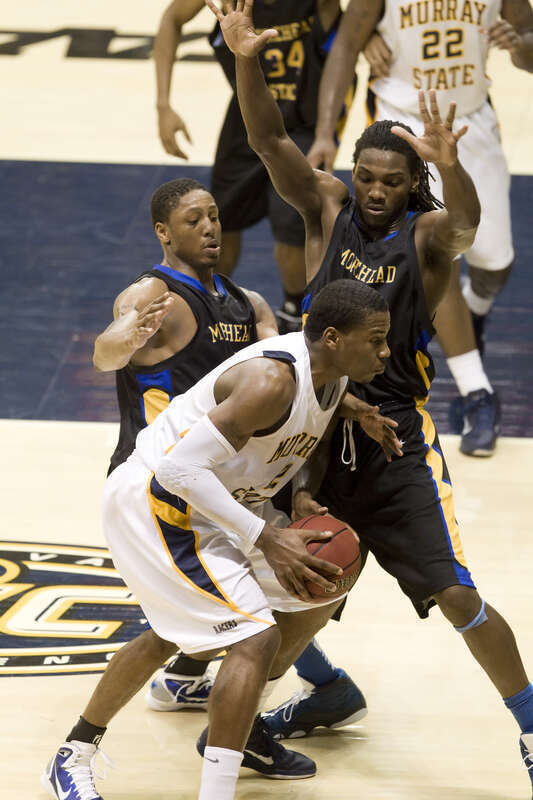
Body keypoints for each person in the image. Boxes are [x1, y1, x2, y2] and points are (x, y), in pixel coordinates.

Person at [204, 0, 533, 791]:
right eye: (367, 178)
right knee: (285, 592)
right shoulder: (326, 206)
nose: (376, 191)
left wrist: (448, 161)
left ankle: (529, 727)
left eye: (392, 181)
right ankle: (264, 709)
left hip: (392, 442)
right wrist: (245, 57)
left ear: (409, 183)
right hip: (310, 442)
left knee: (454, 593)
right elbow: (267, 141)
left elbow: (464, 222)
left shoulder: (423, 238)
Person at [41, 178, 385, 800]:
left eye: (215, 216)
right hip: (160, 483)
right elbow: (106, 352)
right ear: (163, 231)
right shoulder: (155, 294)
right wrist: (125, 336)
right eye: (193, 218)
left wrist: (341, 419)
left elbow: (295, 390)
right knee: (249, 633)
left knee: (310, 583)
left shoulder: (248, 306)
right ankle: (174, 759)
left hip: (224, 480)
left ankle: (188, 720)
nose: (209, 226)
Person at [307, 0, 533, 456]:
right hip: (401, 123)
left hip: (466, 122)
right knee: (427, 253)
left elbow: (530, 46)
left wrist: (519, 47)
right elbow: (347, 42)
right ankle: (476, 391)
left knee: (494, 263)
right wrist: (325, 132)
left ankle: (471, 314)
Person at [154, 0, 356, 332]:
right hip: (248, 114)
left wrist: (326, 133)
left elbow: (349, 35)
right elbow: (171, 19)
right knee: (219, 218)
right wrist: (163, 104)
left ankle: (295, 314)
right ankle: (209, 305)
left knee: (293, 222)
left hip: (303, 121)